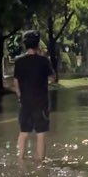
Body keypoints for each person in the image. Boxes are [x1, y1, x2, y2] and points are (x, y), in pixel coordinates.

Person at [12, 30, 57, 161]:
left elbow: (16, 83)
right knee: (40, 135)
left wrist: (20, 97)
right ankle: (41, 164)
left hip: (25, 103)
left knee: (23, 133)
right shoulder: (44, 61)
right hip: (41, 103)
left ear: (25, 45)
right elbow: (53, 78)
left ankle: (20, 160)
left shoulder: (19, 61)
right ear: (37, 44)